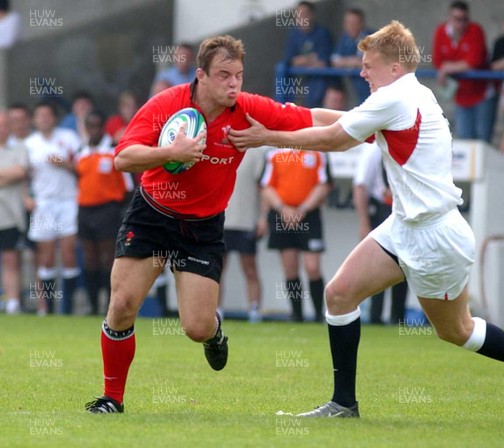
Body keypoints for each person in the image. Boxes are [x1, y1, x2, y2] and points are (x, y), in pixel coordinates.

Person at [230, 20, 504, 417]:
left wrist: (269, 136)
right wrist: (290, 114)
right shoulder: (406, 94)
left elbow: (336, 139)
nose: (361, 72)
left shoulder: (395, 98)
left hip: (433, 236)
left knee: (456, 330)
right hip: (405, 226)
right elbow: (344, 119)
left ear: (394, 68)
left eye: (368, 64)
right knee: (339, 294)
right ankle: (344, 404)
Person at [85, 34, 340, 414]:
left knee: (196, 328)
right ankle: (112, 399)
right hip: (152, 215)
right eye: (224, 75)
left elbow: (311, 119)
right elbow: (123, 157)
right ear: (200, 75)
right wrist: (171, 152)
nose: (233, 83)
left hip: (201, 228)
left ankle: (215, 331)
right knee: (121, 304)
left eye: (238, 75)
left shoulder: (248, 109)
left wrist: (373, 119)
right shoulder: (167, 105)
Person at [260, 145, 331, 322]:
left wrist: (303, 209)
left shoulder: (318, 151)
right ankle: (297, 315)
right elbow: (266, 186)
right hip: (282, 215)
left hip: (309, 215)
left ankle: (318, 315)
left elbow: (324, 184)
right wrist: (283, 209)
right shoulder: (273, 153)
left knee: (312, 267)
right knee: (290, 268)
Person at [26, 102, 81, 316]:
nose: (44, 119)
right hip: (43, 204)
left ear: (54, 118)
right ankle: (46, 309)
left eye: (47, 115)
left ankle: (68, 309)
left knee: (69, 255)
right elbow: (23, 176)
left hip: (68, 202)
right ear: (35, 119)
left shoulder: (68, 137)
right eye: (39, 115)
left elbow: (83, 167)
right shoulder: (29, 144)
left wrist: (64, 164)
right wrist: (26, 198)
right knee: (46, 258)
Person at [76, 111, 129, 316]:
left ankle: (109, 305)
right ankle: (92, 305)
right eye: (91, 126)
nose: (94, 130)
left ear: (103, 127)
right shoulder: (81, 151)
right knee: (90, 258)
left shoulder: (114, 151)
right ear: (87, 128)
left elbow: (127, 186)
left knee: (108, 258)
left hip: (108, 210)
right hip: (85, 210)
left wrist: (118, 210)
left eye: (98, 126)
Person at [353, 142, 407, 325]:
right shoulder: (373, 148)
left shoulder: (405, 144)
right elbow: (360, 185)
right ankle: (375, 316)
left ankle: (397, 317)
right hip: (381, 209)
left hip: (403, 209)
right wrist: (363, 223)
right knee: (379, 264)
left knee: (404, 264)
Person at [432, 1, 496, 142]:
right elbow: (437, 60)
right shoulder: (441, 32)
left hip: (482, 93)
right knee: (464, 139)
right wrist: (448, 66)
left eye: (464, 19)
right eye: (457, 19)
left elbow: (474, 61)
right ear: (449, 17)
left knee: (483, 141)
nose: (461, 23)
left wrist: (447, 67)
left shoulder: (475, 30)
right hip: (461, 95)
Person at [220, 146, 267, 322]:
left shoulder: (256, 154)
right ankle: (217, 311)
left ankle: (254, 310)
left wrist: (263, 217)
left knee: (250, 268)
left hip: (246, 221)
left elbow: (263, 189)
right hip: (220, 221)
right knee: (217, 269)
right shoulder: (218, 150)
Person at [0, 111, 27, 314]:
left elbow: (20, 172)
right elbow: (12, 174)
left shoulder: (20, 148)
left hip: (10, 215)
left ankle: (13, 303)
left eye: (4, 125)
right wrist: (7, 176)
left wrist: (11, 175)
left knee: (11, 259)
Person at [283, 1, 333, 107]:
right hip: (298, 78)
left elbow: (322, 62)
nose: (301, 18)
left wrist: (301, 60)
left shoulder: (322, 33)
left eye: (305, 14)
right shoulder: (294, 34)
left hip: (318, 79)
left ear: (311, 15)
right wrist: (309, 59)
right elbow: (290, 60)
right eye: (298, 15)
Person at [331, 8, 373, 104]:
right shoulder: (345, 38)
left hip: (372, 84)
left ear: (362, 23)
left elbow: (368, 62)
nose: (351, 26)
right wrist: (352, 61)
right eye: (348, 22)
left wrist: (349, 62)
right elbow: (335, 60)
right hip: (354, 84)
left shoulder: (371, 37)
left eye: (354, 22)